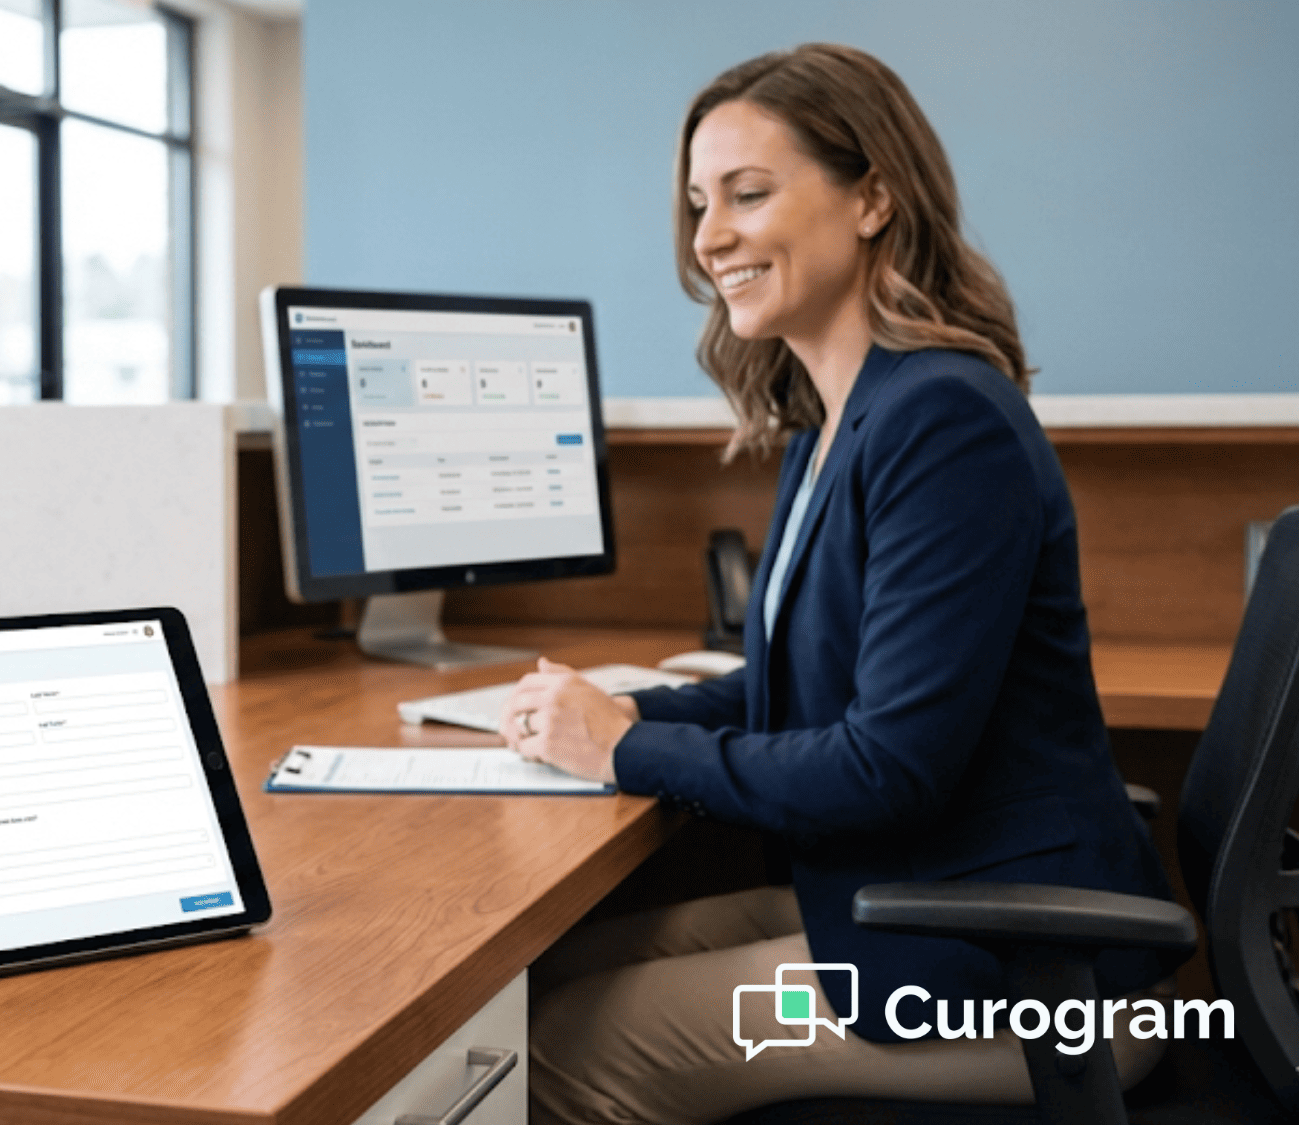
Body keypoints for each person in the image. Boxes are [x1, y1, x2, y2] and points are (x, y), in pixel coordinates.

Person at [500, 44, 1183, 1124]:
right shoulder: (835, 425)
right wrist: (622, 712)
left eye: (747, 193)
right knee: (538, 980)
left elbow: (884, 766)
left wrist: (622, 750)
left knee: (541, 1053)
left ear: (872, 198)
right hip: (930, 912)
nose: (706, 237)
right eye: (698, 204)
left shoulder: (942, 420)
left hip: (1024, 979)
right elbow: (801, 686)